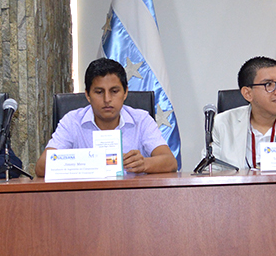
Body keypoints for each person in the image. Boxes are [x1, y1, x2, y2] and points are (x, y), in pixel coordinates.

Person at [35, 58, 177, 176]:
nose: (107, 99)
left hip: (133, 200)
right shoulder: (72, 121)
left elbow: (170, 162)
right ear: (87, 95)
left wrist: (144, 164)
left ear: (125, 93)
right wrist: (84, 163)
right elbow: (41, 167)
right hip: (85, 201)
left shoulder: (141, 119)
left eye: (114, 91)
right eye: (99, 92)